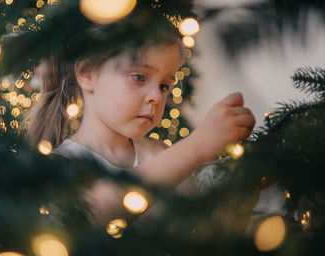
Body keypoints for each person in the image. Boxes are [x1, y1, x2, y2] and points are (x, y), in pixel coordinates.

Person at [25, 15, 256, 225]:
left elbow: (196, 228)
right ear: (87, 73)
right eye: (139, 77)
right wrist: (198, 145)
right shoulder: (61, 166)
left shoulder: (162, 154)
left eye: (164, 85)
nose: (156, 97)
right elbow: (83, 216)